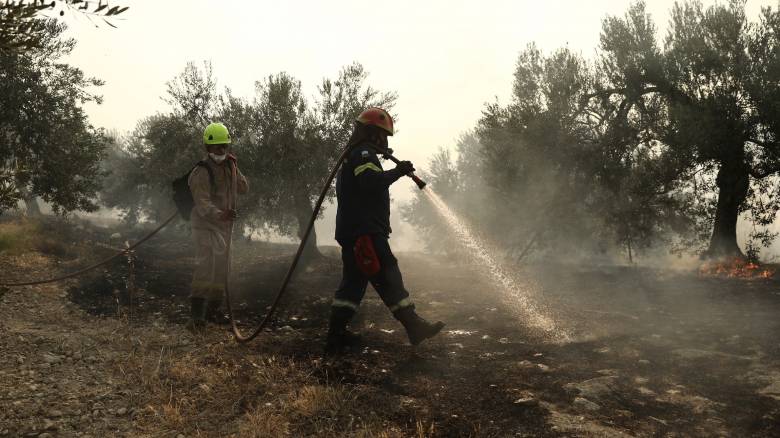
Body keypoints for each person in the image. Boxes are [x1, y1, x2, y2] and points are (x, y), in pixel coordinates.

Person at [328, 107, 444, 352]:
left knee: (352, 284)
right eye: (383, 136)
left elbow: (365, 182)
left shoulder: (359, 154)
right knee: (389, 275)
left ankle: (335, 336)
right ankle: (414, 326)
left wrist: (379, 161)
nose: (385, 141)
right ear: (372, 133)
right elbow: (370, 184)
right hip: (365, 233)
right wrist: (398, 172)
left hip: (357, 231)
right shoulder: (363, 154)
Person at [187, 122, 248, 331]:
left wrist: (235, 168)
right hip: (204, 225)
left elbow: (243, 188)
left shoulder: (229, 167)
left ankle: (213, 312)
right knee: (205, 266)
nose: (221, 151)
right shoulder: (201, 172)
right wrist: (220, 214)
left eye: (224, 146)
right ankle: (196, 317)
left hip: (223, 226)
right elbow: (202, 204)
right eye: (217, 147)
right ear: (208, 148)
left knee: (222, 268)